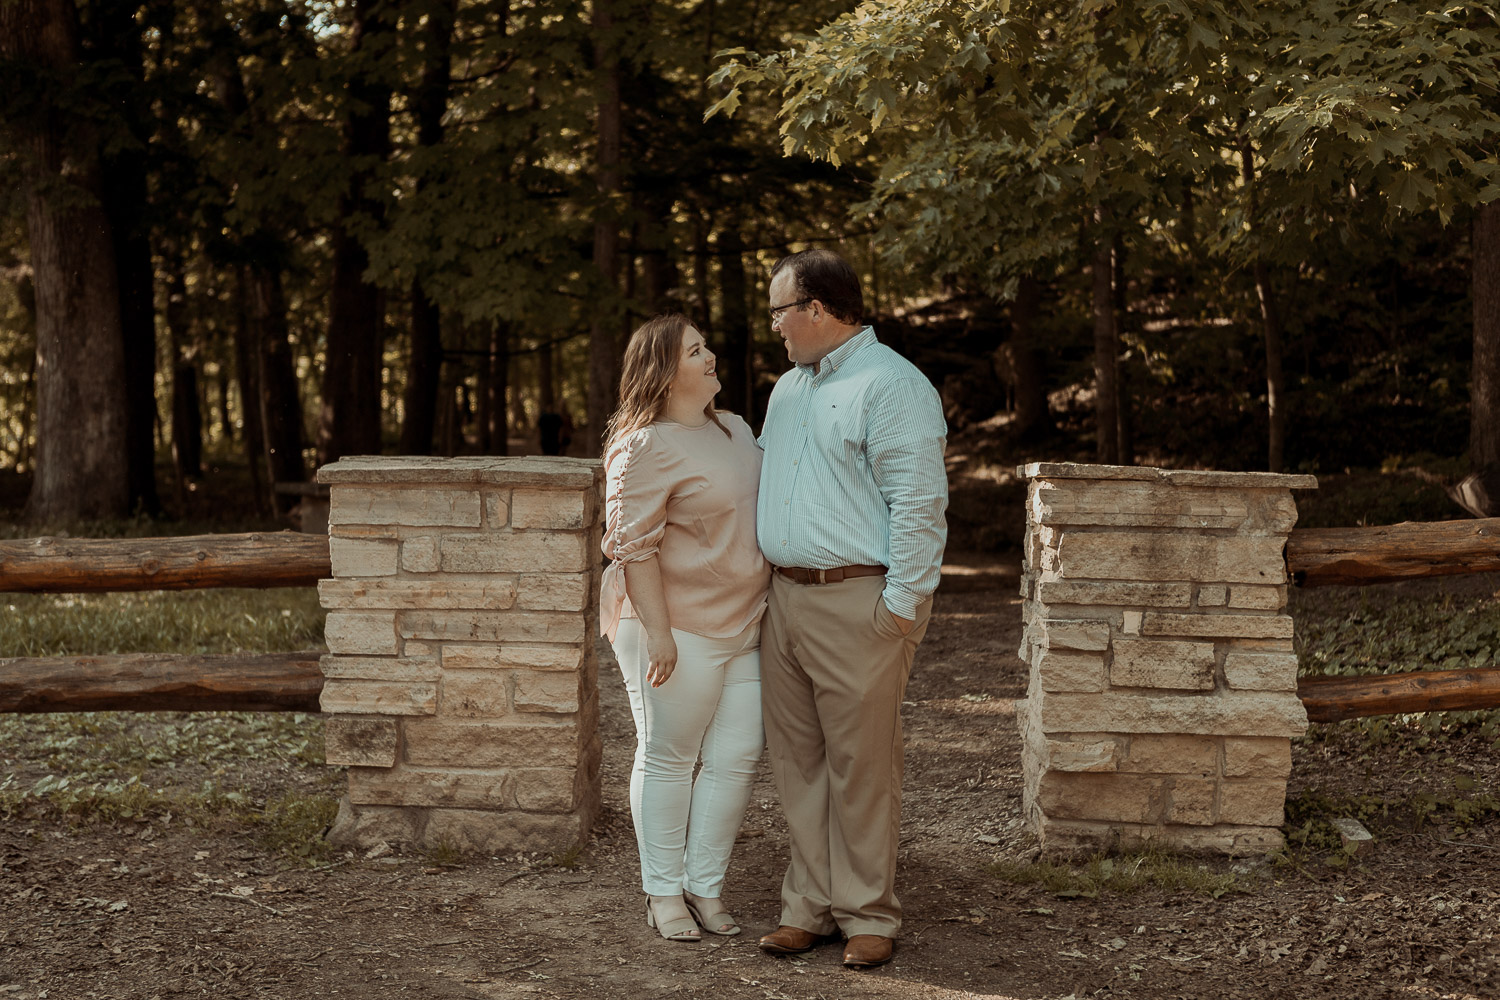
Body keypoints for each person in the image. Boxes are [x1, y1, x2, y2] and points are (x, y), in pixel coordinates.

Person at [754, 248, 948, 969]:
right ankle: (808, 904)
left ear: (816, 309)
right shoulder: (787, 390)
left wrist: (900, 607)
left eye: (779, 310)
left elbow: (920, 506)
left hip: (858, 601)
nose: (774, 326)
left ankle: (868, 911)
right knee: (798, 764)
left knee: (861, 766)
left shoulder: (892, 385)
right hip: (785, 601)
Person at [600, 312, 772, 944]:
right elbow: (633, 548)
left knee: (734, 758)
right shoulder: (644, 446)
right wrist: (661, 633)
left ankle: (706, 885)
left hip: (744, 624)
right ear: (664, 372)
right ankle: (663, 892)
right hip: (673, 630)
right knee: (669, 757)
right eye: (695, 351)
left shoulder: (735, 428)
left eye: (705, 346)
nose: (710, 357)